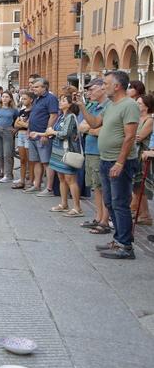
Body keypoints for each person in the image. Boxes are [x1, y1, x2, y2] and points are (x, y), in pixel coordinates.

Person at [80, 71, 139, 260]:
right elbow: (95, 122)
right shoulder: (111, 105)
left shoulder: (129, 105)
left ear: (117, 86)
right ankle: (118, 239)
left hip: (119, 161)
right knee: (110, 202)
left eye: (106, 84)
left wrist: (121, 162)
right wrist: (81, 106)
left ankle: (126, 245)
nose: (103, 87)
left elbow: (129, 136)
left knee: (120, 203)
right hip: (105, 159)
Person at [77, 79, 109, 232]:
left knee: (103, 187)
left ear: (103, 88)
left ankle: (104, 220)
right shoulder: (94, 106)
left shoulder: (107, 106)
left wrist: (90, 128)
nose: (89, 93)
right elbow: (82, 125)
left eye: (92, 89)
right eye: (87, 90)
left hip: (99, 151)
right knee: (95, 187)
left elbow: (102, 130)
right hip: (90, 149)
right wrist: (91, 129)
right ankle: (98, 217)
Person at [42, 94, 82, 216]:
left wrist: (52, 131)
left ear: (70, 104)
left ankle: (77, 207)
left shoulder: (70, 116)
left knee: (70, 179)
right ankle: (64, 203)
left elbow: (66, 133)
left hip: (67, 151)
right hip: (58, 151)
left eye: (64, 100)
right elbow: (54, 132)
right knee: (61, 178)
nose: (60, 102)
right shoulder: (61, 117)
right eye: (60, 99)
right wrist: (44, 133)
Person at [25, 77, 59, 195]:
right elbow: (33, 115)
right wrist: (29, 129)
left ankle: (49, 188)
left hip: (42, 134)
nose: (33, 88)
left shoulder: (51, 98)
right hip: (33, 134)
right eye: (33, 87)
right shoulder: (37, 99)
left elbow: (53, 115)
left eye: (36, 87)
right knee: (36, 161)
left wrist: (46, 133)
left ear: (44, 87)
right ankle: (37, 184)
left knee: (46, 162)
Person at [131, 94, 154, 226]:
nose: (137, 105)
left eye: (139, 103)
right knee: (136, 186)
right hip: (135, 154)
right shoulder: (137, 118)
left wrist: (129, 134)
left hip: (143, 155)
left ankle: (145, 215)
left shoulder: (149, 120)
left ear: (147, 106)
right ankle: (140, 212)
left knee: (141, 186)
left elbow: (139, 137)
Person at [0, 91, 18, 183]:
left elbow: (16, 120)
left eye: (7, 97)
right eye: (3, 97)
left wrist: (15, 129)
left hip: (8, 131)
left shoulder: (14, 109)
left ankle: (8, 174)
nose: (5, 98)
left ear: (10, 98)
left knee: (7, 154)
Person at [11, 92, 34, 189]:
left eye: (25, 98)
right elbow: (16, 124)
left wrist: (21, 123)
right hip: (20, 135)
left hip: (28, 135)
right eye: (22, 98)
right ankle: (22, 180)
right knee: (22, 160)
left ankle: (31, 181)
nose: (22, 100)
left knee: (30, 160)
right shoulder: (22, 111)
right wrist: (22, 123)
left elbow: (29, 125)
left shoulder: (33, 111)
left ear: (31, 100)